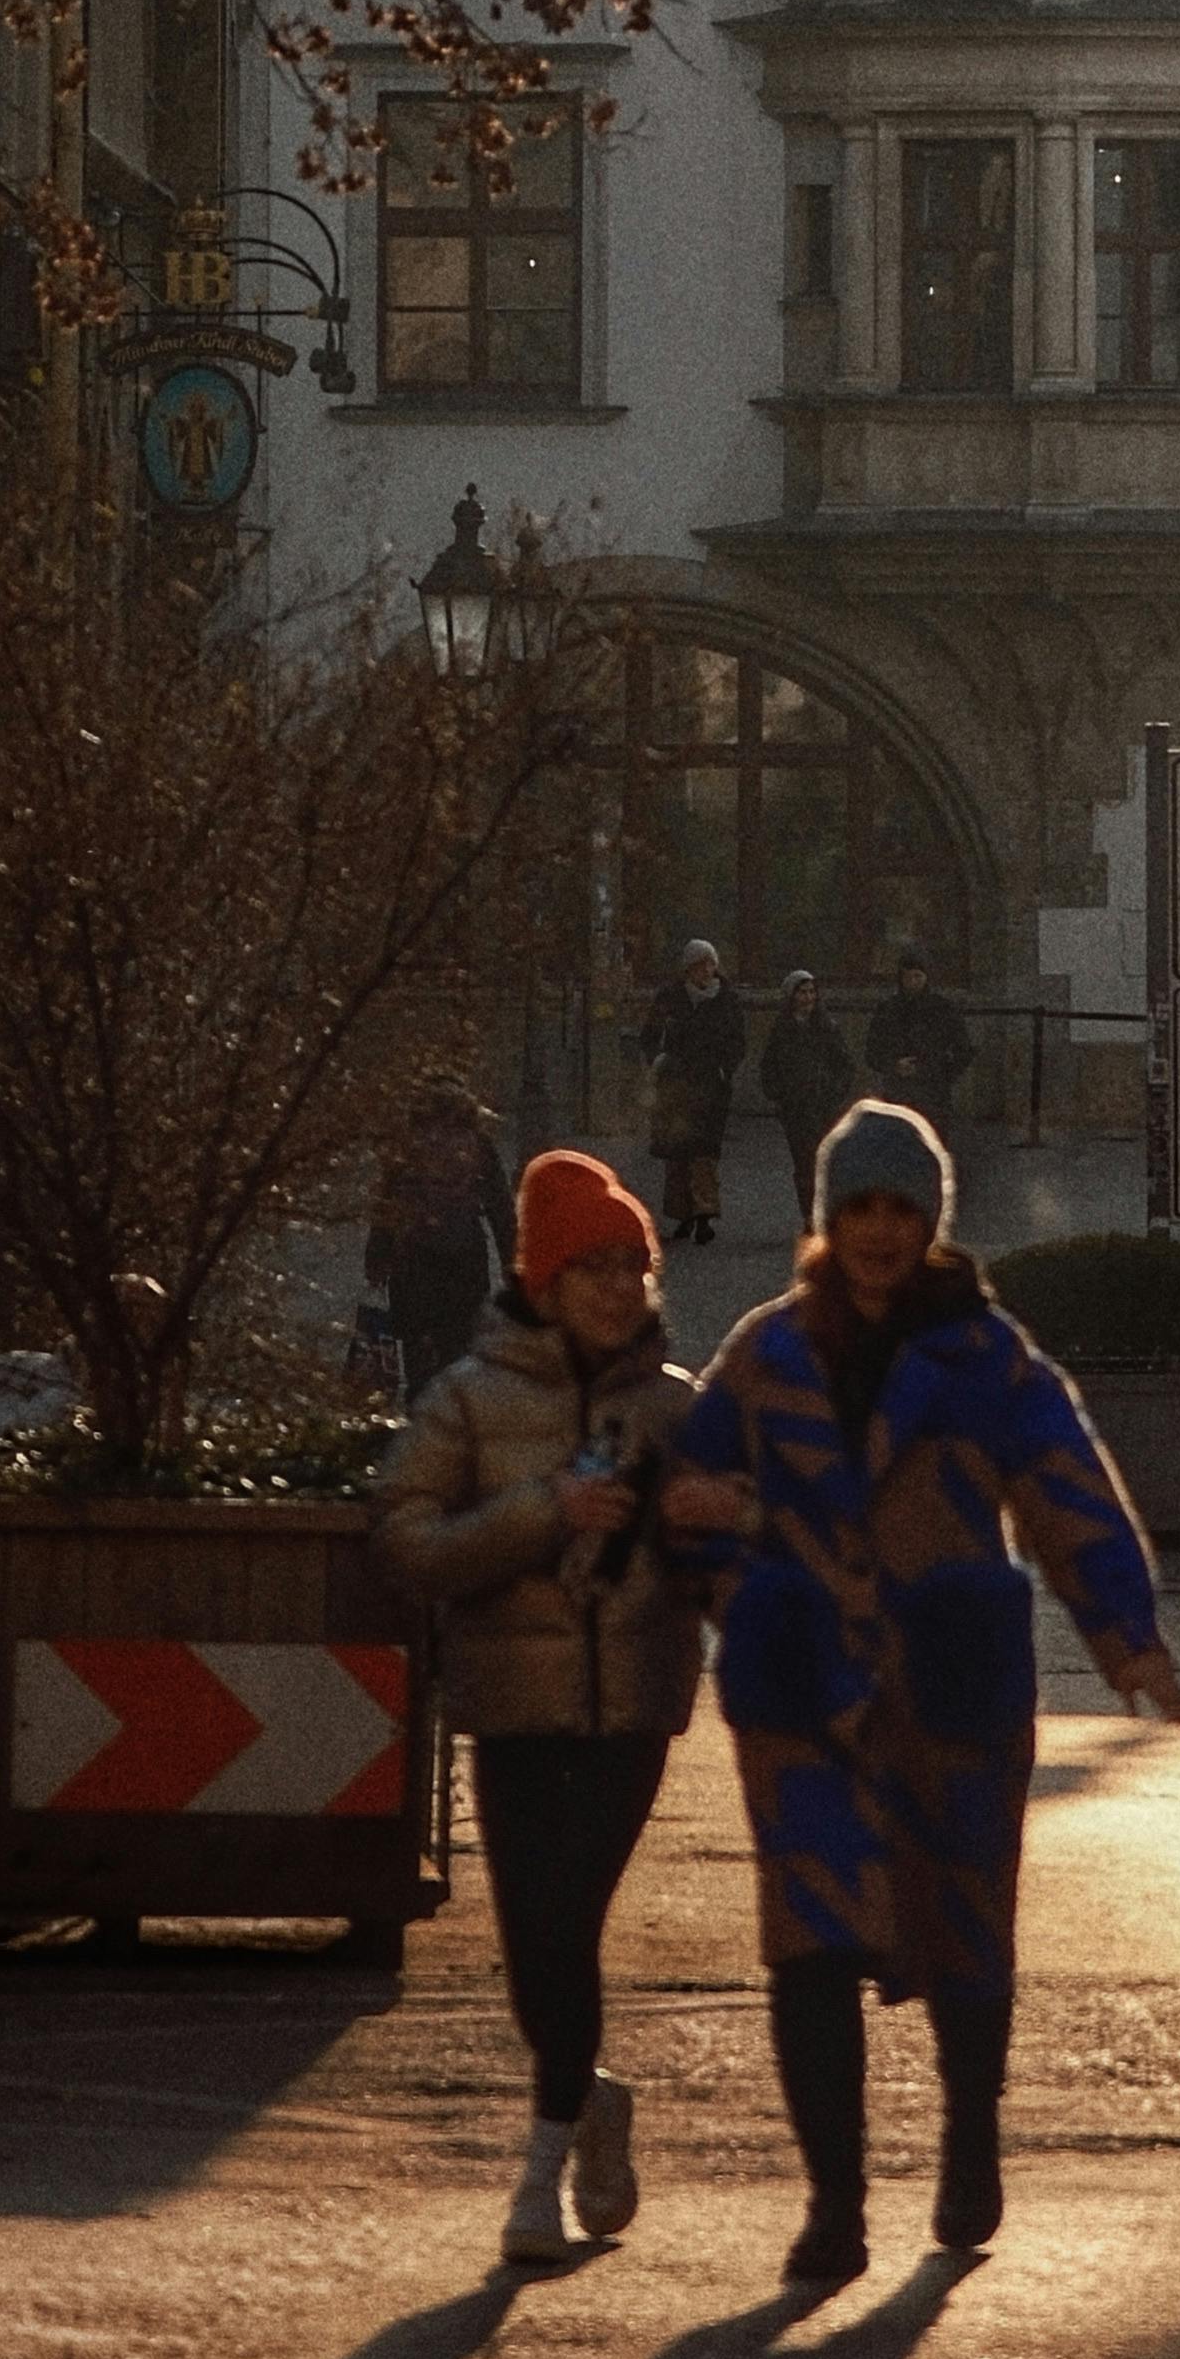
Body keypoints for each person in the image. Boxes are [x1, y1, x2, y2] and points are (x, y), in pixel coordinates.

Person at [676, 1096, 1180, 2298]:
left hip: (949, 1688)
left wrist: (1128, 1637)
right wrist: (745, 1591)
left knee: (965, 1933)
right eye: (860, 1206)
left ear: (931, 1218)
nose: (880, 1230)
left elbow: (1069, 1491)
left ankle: (967, 2141)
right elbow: (686, 1494)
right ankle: (834, 2206)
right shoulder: (765, 1353)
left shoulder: (986, 1355)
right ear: (827, 1216)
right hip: (803, 1691)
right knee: (806, 1946)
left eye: (902, 1207)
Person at [375, 1147, 722, 2270]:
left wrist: (712, 1516)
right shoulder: (469, 1399)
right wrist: (542, 1508)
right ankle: (590, 2098)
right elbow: (405, 1541)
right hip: (511, 1703)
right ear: (543, 1274)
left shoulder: (676, 1405)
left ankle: (538, 2176)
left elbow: (747, 1538)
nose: (619, 1286)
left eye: (633, 1263)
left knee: (567, 1919)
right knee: (536, 1943)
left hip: (634, 1703)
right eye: (593, 1265)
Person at [361, 1082, 508, 1394]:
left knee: (418, 1358)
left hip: (413, 1266)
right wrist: (513, 1264)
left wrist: (377, 1257)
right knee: (462, 1356)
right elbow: (501, 1210)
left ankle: (421, 1423)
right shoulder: (478, 1147)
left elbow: (388, 1206)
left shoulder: (407, 1147)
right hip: (465, 1264)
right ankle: (457, 1420)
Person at [640, 941, 747, 1253]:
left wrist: (725, 1068)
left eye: (710, 964)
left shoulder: (726, 1000)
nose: (706, 971)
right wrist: (658, 1060)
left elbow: (737, 1041)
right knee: (676, 1153)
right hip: (675, 1085)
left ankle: (704, 1215)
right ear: (688, 969)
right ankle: (681, 1214)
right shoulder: (670, 998)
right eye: (700, 965)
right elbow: (650, 1035)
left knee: (704, 1152)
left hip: (710, 1085)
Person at [758, 968, 857, 1223]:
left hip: (823, 1106)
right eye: (802, 992)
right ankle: (810, 1216)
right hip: (795, 1108)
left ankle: (826, 1213)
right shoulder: (782, 1030)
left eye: (811, 992)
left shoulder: (826, 1027)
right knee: (804, 1164)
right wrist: (780, 1094)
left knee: (825, 1161)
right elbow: (769, 1067)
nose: (808, 998)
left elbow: (845, 1064)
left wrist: (833, 1091)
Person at [861, 950, 976, 1146]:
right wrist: (893, 1065)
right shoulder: (888, 1010)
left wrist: (939, 1072)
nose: (913, 982)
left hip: (933, 1092)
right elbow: (872, 1050)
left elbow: (963, 1049)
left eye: (918, 976)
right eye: (908, 977)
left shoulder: (943, 1009)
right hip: (898, 1091)